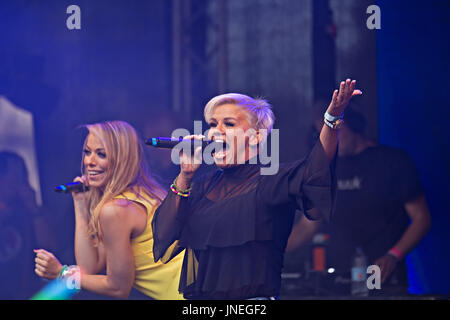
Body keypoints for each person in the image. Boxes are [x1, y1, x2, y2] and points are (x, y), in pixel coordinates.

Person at [152, 79, 362, 299]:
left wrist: (331, 119)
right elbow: (164, 236)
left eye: (229, 124)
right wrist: (185, 175)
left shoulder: (271, 180)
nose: (215, 132)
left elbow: (316, 170)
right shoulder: (203, 186)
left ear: (256, 136)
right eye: (213, 124)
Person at [287, 104, 432, 296]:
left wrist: (393, 255)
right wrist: (270, 250)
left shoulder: (393, 162)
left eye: (333, 128)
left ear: (352, 124)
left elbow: (422, 218)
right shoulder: (325, 170)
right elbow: (308, 226)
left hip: (382, 278)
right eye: (322, 132)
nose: (330, 137)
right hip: (335, 283)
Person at [34, 120, 184, 299]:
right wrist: (81, 204)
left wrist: (62, 273)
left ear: (122, 160)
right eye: (87, 152)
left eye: (101, 154)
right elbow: (90, 267)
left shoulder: (116, 210)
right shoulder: (146, 192)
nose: (89, 161)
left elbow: (118, 288)